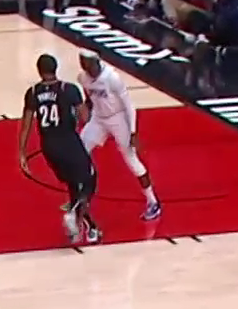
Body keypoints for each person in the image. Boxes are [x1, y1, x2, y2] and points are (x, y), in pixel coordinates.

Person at [19, 53, 102, 244]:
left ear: (39, 71)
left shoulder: (32, 92)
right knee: (90, 179)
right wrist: (89, 102)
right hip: (68, 141)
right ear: (56, 68)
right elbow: (85, 118)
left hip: (49, 146)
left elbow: (26, 125)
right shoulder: (69, 89)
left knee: (73, 184)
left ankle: (88, 229)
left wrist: (22, 153)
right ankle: (73, 213)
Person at [77, 51, 162, 219]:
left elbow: (129, 106)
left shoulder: (112, 78)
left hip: (118, 118)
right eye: (82, 63)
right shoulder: (82, 77)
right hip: (98, 119)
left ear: (96, 62)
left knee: (131, 160)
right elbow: (89, 98)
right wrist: (85, 115)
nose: (85, 67)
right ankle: (80, 197)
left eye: (87, 63)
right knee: (79, 152)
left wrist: (133, 132)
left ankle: (153, 202)